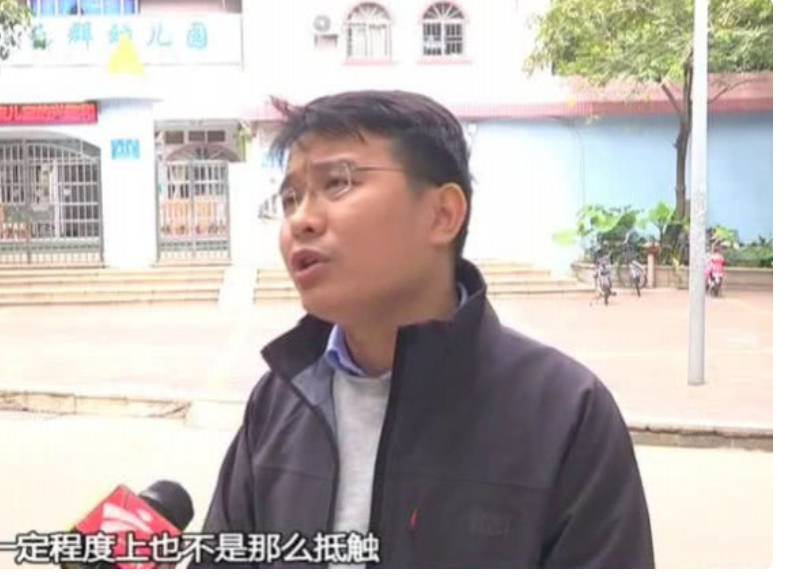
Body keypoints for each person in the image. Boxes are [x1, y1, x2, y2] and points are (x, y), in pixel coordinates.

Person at [194, 90, 654, 568]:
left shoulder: (566, 413)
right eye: (290, 199)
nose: (301, 221)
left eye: (338, 183)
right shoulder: (278, 403)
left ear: (443, 214)